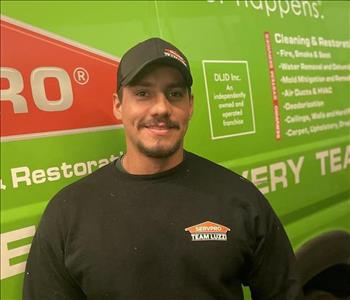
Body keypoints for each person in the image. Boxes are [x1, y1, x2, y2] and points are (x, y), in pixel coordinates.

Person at [23, 38, 303, 300]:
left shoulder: (239, 199)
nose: (161, 108)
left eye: (175, 93)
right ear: (118, 105)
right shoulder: (68, 212)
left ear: (190, 106)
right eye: (143, 93)